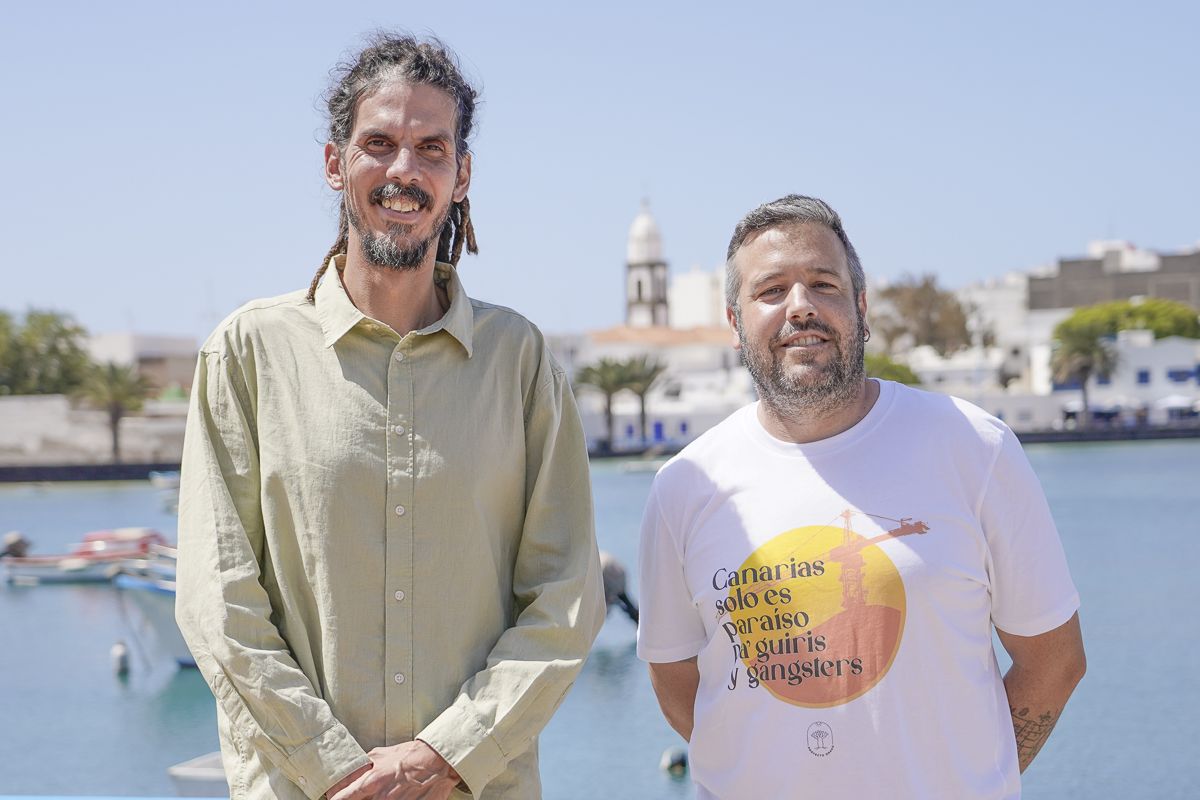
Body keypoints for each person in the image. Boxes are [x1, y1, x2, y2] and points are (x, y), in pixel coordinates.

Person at [176, 33, 605, 800]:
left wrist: (447, 755)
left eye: (431, 149)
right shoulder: (247, 353)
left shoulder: (520, 361)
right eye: (379, 143)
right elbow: (218, 602)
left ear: (460, 174)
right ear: (336, 162)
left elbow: (566, 597)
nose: (403, 171)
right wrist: (334, 769)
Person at [637, 195, 1085, 799]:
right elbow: (674, 678)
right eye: (771, 291)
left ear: (862, 308)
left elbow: (1053, 662)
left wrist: (977, 775)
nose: (801, 307)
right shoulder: (684, 487)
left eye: (823, 284)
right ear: (735, 322)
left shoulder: (974, 448)